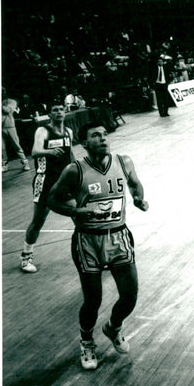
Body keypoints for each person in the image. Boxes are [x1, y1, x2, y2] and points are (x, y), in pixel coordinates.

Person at [47, 121, 149, 370]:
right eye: (95, 135)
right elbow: (53, 199)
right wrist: (76, 210)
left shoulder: (123, 161)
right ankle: (86, 340)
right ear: (84, 143)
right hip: (88, 241)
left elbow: (135, 183)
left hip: (118, 236)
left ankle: (113, 327)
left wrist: (138, 197)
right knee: (93, 300)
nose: (103, 138)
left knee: (130, 296)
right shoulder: (74, 170)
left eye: (105, 134)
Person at [19, 103, 74, 273]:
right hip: (45, 181)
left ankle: (95, 254)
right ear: (50, 114)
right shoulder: (42, 131)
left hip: (64, 181)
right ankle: (25, 257)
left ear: (65, 113)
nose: (59, 112)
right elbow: (35, 152)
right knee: (38, 221)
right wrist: (49, 152)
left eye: (61, 110)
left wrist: (76, 170)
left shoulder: (68, 132)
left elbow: (70, 154)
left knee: (78, 215)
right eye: (55, 110)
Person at [2, 97, 31, 172]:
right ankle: (4, 165)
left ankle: (25, 162)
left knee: (16, 145)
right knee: (2, 148)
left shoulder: (12, 101)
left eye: (3, 91)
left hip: (10, 126)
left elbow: (7, 110)